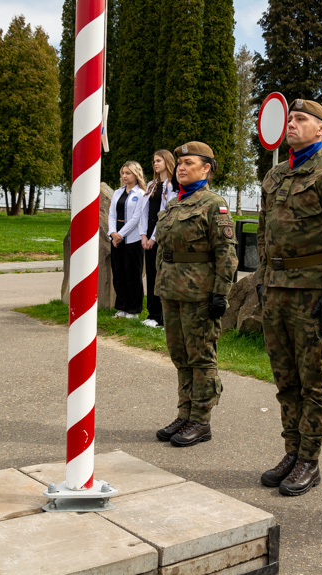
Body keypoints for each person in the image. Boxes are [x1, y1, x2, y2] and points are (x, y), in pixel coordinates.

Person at [256, 99, 322, 496]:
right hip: (277, 291)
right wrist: (263, 280)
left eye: (301, 119)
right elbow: (264, 233)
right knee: (285, 379)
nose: (292, 124)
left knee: (312, 380)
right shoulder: (276, 175)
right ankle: (291, 449)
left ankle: (310, 460)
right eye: (290, 118)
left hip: (312, 294)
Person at [154, 142, 238, 447]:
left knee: (201, 357)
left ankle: (201, 420)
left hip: (200, 294)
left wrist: (221, 294)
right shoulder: (175, 203)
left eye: (189, 163)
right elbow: (164, 250)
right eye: (179, 163)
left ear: (207, 168)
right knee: (180, 356)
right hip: (172, 291)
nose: (181, 167)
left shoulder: (214, 204)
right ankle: (184, 413)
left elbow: (226, 254)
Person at [140, 149, 176, 328]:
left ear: (168, 162)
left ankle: (161, 317)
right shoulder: (151, 185)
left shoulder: (172, 186)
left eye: (159, 160)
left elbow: (165, 214)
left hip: (160, 236)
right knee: (151, 276)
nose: (155, 164)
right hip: (148, 236)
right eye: (154, 161)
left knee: (160, 276)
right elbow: (144, 212)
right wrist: (143, 235)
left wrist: (153, 237)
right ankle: (152, 314)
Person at [109, 161, 147, 319]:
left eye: (128, 173)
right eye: (123, 173)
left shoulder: (141, 194)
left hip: (132, 239)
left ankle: (134, 309)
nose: (124, 176)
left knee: (132, 274)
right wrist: (112, 233)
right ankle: (122, 307)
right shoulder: (117, 193)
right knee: (118, 274)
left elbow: (136, 218)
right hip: (115, 239)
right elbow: (111, 214)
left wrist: (121, 234)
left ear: (136, 174)